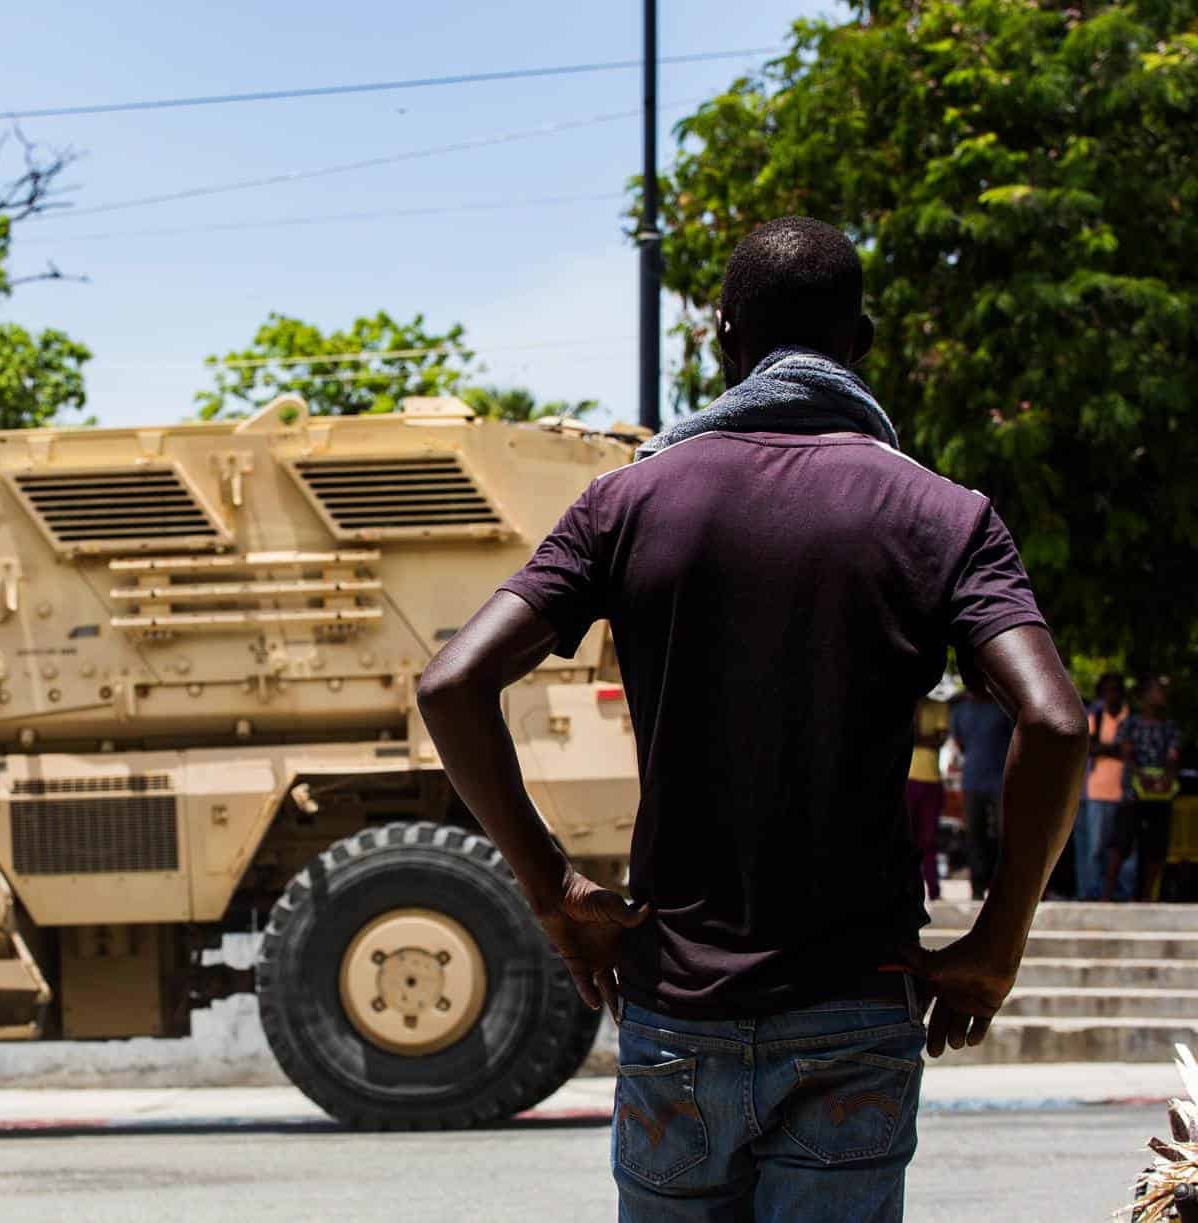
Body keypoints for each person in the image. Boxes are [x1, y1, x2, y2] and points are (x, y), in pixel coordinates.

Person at [417, 217, 1087, 1222]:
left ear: (723, 337)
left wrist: (554, 889)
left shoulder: (624, 503)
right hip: (857, 1005)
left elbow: (452, 684)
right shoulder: (947, 517)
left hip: (676, 1009)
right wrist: (997, 938)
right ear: (859, 341)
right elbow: (1059, 723)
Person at [1110, 675, 1181, 903]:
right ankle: (1106, 897)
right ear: (1144, 697)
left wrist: (1166, 778)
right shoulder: (1130, 724)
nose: (1160, 696)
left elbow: (1173, 758)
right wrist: (1141, 776)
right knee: (1122, 845)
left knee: (1155, 849)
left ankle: (1148, 898)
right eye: (1155, 691)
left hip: (1160, 794)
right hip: (1133, 793)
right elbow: (1126, 753)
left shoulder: (1170, 727)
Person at [949, 687, 1014, 898]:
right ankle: (977, 886)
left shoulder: (1002, 709)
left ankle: (1001, 885)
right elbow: (960, 743)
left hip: (1000, 781)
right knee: (974, 834)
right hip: (972, 781)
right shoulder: (960, 711)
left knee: (1003, 834)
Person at [1080, 673, 1128, 900]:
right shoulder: (1095, 716)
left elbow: (1131, 749)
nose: (1113, 695)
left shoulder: (1129, 718)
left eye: (1116, 690)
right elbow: (1089, 747)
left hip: (1126, 791)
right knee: (1094, 848)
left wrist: (1105, 748)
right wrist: (1116, 749)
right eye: (1108, 690)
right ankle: (1091, 892)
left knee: (1122, 847)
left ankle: (1120, 893)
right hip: (1097, 791)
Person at [906, 695, 949, 899]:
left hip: (931, 779)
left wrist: (916, 736)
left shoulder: (939, 707)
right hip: (907, 779)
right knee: (906, 838)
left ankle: (933, 889)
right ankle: (906, 889)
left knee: (928, 839)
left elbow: (939, 741)